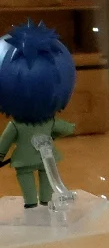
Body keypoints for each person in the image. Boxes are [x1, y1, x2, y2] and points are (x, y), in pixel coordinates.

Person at [0, 21, 76, 209]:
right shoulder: (46, 123)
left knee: (35, 180)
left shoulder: (17, 125)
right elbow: (65, 129)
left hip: (27, 160)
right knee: (44, 178)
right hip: (42, 159)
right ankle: (38, 202)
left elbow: (3, 145)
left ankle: (35, 202)